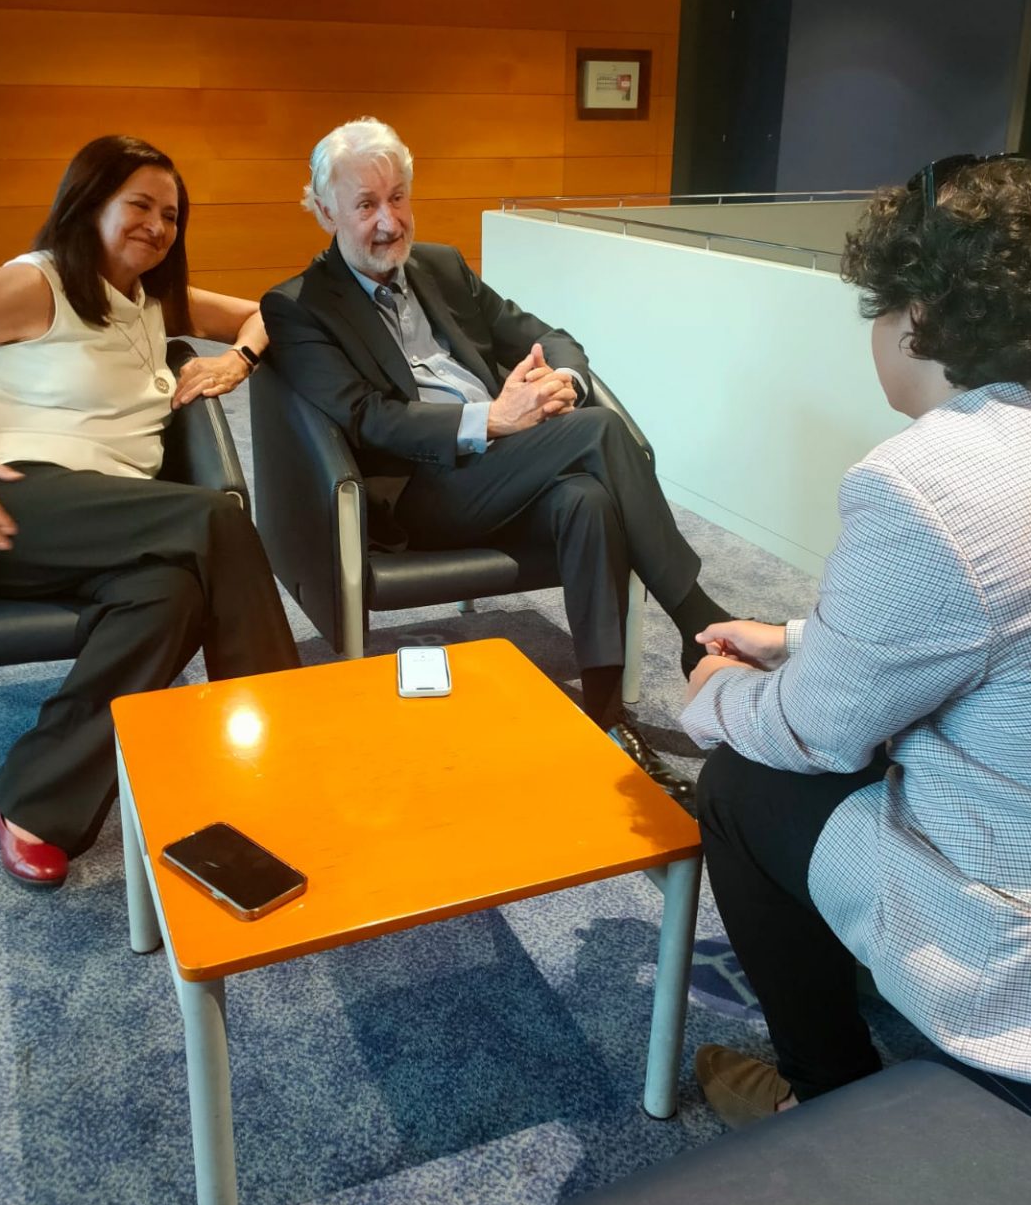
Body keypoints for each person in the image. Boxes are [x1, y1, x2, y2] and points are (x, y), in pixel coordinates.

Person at [680, 155, 1031, 1130]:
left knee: (741, 782)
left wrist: (711, 692)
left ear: (915, 318)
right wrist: (796, 636)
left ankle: (823, 1093)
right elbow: (1014, 620)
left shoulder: (929, 483)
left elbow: (815, 735)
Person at [261, 117, 729, 794]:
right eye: (365, 205)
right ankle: (701, 623)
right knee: (600, 433)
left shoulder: (441, 267)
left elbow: (549, 336)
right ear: (325, 211)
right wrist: (493, 419)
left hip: (510, 466)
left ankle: (606, 718)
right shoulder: (300, 306)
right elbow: (367, 417)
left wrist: (561, 383)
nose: (389, 221)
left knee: (587, 501)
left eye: (398, 198)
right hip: (421, 490)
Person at [0, 135, 299, 888]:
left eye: (171, 214)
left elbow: (270, 312)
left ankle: (32, 799)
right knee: (215, 518)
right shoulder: (34, 286)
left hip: (102, 525)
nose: (157, 226)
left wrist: (238, 360)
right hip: (0, 501)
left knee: (170, 595)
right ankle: (288, 755)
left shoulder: (153, 301)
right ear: (89, 203)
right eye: (140, 205)